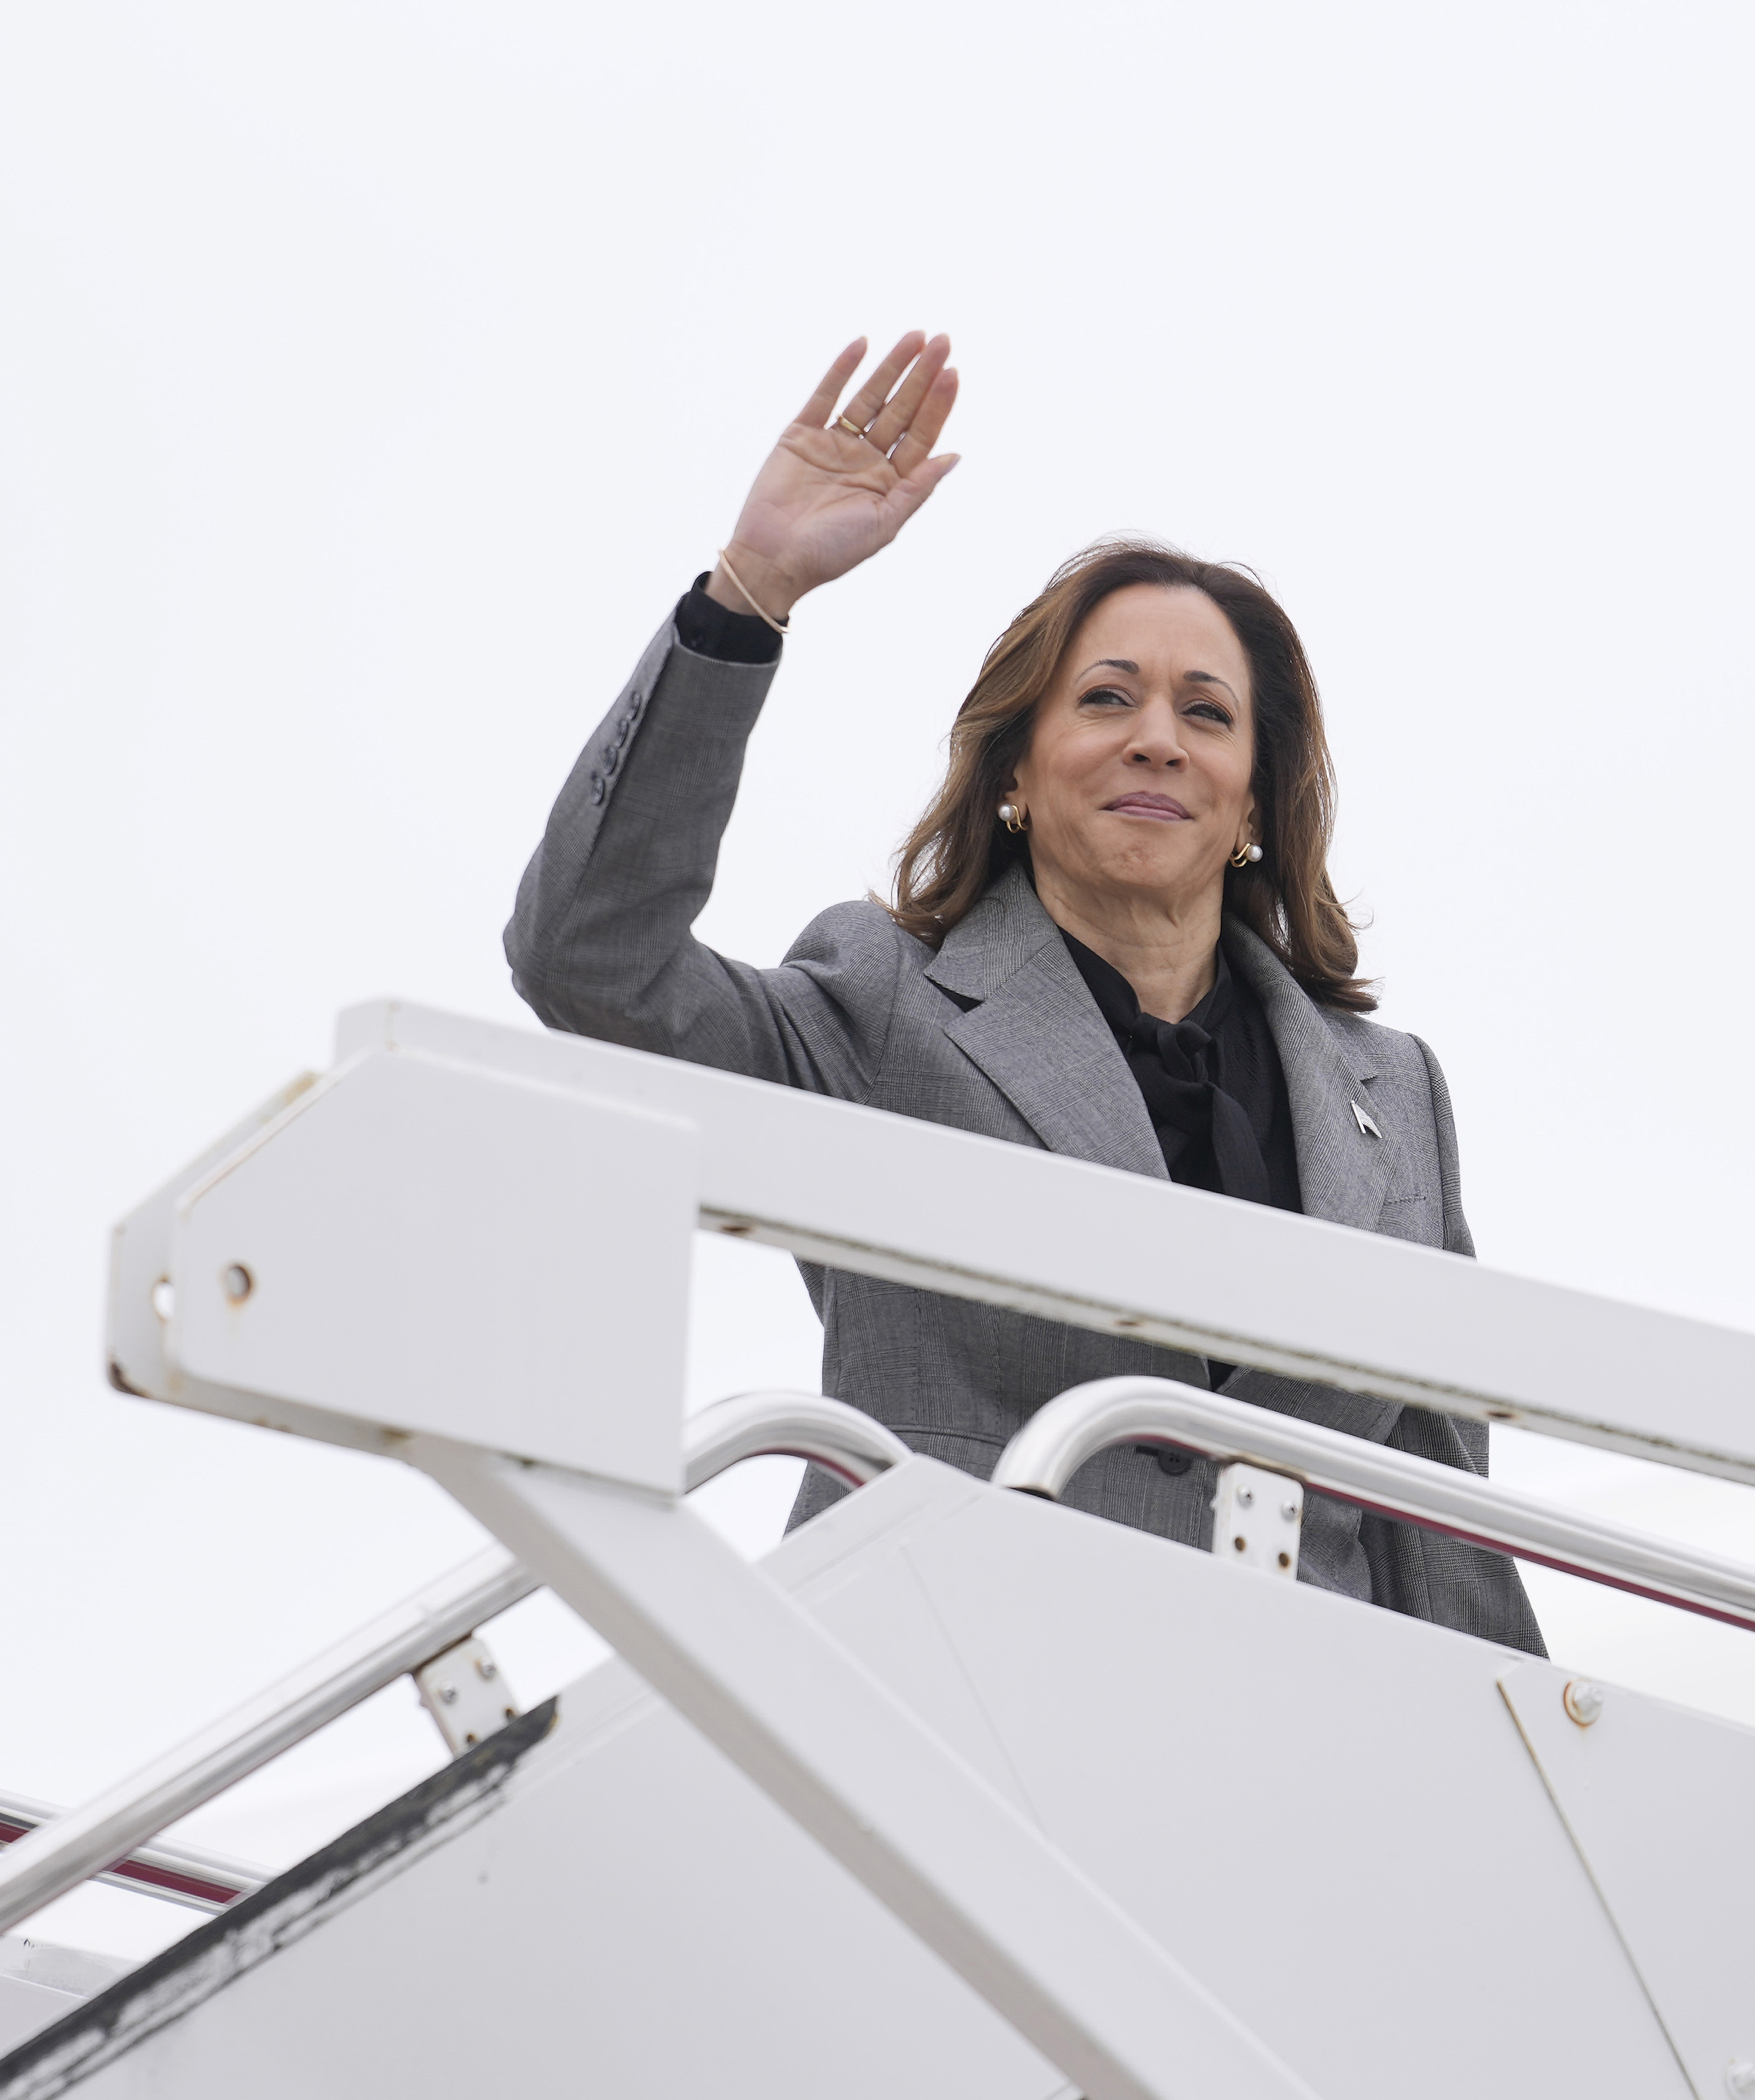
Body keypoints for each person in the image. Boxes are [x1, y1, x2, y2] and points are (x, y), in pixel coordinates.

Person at [506, 331, 1540, 1652]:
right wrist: (750, 593)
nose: (1157, 735)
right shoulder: (883, 1003)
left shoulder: (1392, 1092)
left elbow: (1439, 1511)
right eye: (1106, 698)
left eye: (1207, 713)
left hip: (1301, 1757)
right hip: (951, 1706)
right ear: (1017, 768)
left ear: (1251, 805)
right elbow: (590, 962)